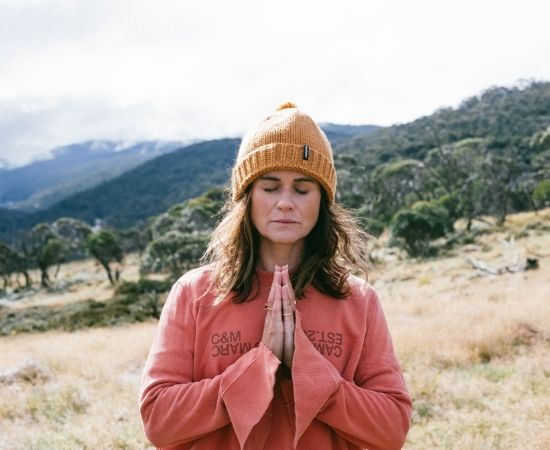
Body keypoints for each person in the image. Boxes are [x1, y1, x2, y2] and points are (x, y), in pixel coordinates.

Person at [139, 102, 412, 450]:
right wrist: (258, 367)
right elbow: (159, 420)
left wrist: (308, 369)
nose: (285, 202)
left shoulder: (357, 299)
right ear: (247, 196)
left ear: (322, 200)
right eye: (269, 187)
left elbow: (392, 429)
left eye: (302, 189)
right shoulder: (195, 293)